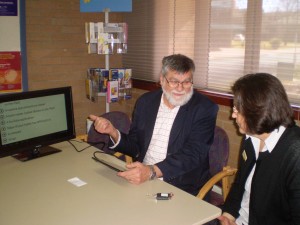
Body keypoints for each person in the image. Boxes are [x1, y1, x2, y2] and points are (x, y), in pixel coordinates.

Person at [89, 54, 218, 196]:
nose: (180, 88)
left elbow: (193, 154)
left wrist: (151, 171)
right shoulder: (146, 102)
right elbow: (136, 146)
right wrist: (112, 132)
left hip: (182, 184)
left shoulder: (204, 108)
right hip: (145, 177)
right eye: (174, 82)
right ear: (162, 80)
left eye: (186, 82)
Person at [219, 73, 300, 225]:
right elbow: (239, 184)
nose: (233, 115)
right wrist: (228, 215)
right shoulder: (252, 137)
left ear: (257, 113)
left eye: (237, 110)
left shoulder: (295, 154)